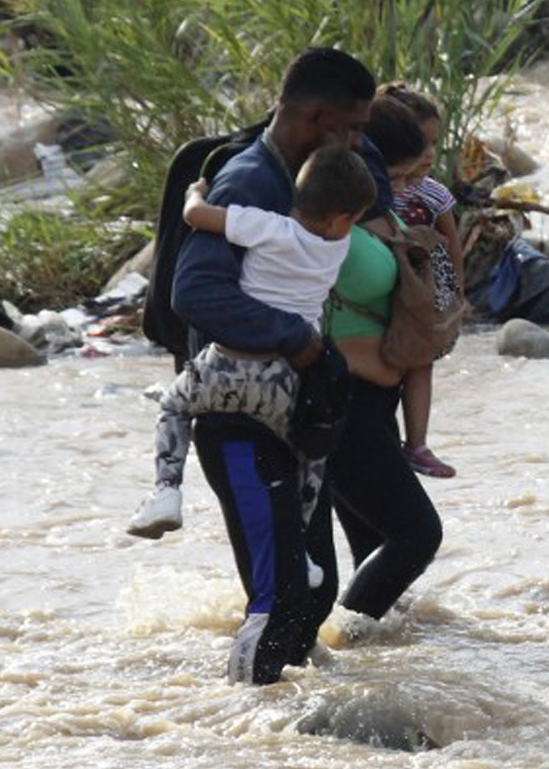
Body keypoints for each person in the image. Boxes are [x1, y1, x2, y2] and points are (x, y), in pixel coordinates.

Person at [173, 47, 377, 684]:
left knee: (314, 595)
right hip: (239, 425)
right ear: (317, 119)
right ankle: (237, 734)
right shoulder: (251, 184)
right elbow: (196, 293)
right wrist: (300, 340)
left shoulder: (309, 182)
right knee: (280, 598)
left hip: (287, 417)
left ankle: (287, 759)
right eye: (353, 129)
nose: (358, 144)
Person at [128, 146, 376, 568]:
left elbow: (195, 217)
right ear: (339, 221)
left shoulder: (269, 228)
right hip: (285, 382)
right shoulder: (339, 246)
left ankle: (166, 490)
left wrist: (196, 190)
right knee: (309, 456)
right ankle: (304, 553)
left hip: (227, 365)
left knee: (173, 405)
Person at [305, 110, 446, 629]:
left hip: (374, 406)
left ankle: (374, 661)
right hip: (344, 405)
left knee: (377, 544)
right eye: (402, 175)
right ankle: (343, 644)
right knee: (417, 535)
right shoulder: (332, 227)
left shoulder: (377, 219)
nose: (411, 186)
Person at [371, 87, 463, 478]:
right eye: (421, 143)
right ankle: (391, 437)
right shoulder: (378, 186)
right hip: (382, 288)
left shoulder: (433, 193)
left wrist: (456, 294)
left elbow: (451, 245)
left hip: (422, 287)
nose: (428, 154)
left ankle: (418, 442)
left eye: (435, 143)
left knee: (419, 360)